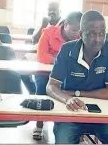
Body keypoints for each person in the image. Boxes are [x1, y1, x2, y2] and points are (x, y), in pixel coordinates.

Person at [46, 10, 108, 144]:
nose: (98, 39)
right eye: (92, 34)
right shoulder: (67, 50)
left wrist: (76, 93)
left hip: (103, 114)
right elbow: (51, 86)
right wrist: (68, 100)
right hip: (72, 113)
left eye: (102, 34)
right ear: (81, 34)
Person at [32, 11, 83, 140]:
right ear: (65, 24)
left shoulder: (81, 37)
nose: (77, 34)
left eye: (80, 31)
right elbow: (41, 56)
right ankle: (39, 124)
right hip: (46, 72)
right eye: (74, 30)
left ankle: (75, 126)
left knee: (78, 90)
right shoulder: (48, 33)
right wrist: (61, 60)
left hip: (68, 73)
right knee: (42, 89)